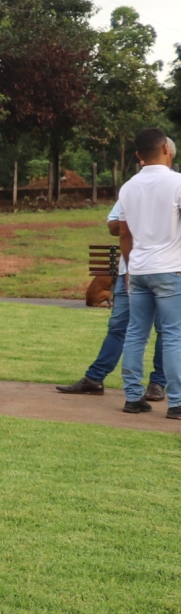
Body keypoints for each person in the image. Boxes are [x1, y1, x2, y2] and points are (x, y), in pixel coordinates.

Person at [57, 189, 166, 400]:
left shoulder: (174, 187)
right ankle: (94, 379)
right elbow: (114, 226)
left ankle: (158, 383)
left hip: (165, 270)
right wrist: (142, 219)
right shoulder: (132, 189)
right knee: (118, 327)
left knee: (165, 330)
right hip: (129, 271)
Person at [115, 126, 181, 416]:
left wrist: (131, 266)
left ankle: (133, 397)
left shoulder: (128, 187)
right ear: (166, 149)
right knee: (173, 335)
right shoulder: (177, 183)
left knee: (135, 333)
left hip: (139, 269)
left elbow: (124, 234)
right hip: (171, 269)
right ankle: (176, 402)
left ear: (138, 155)